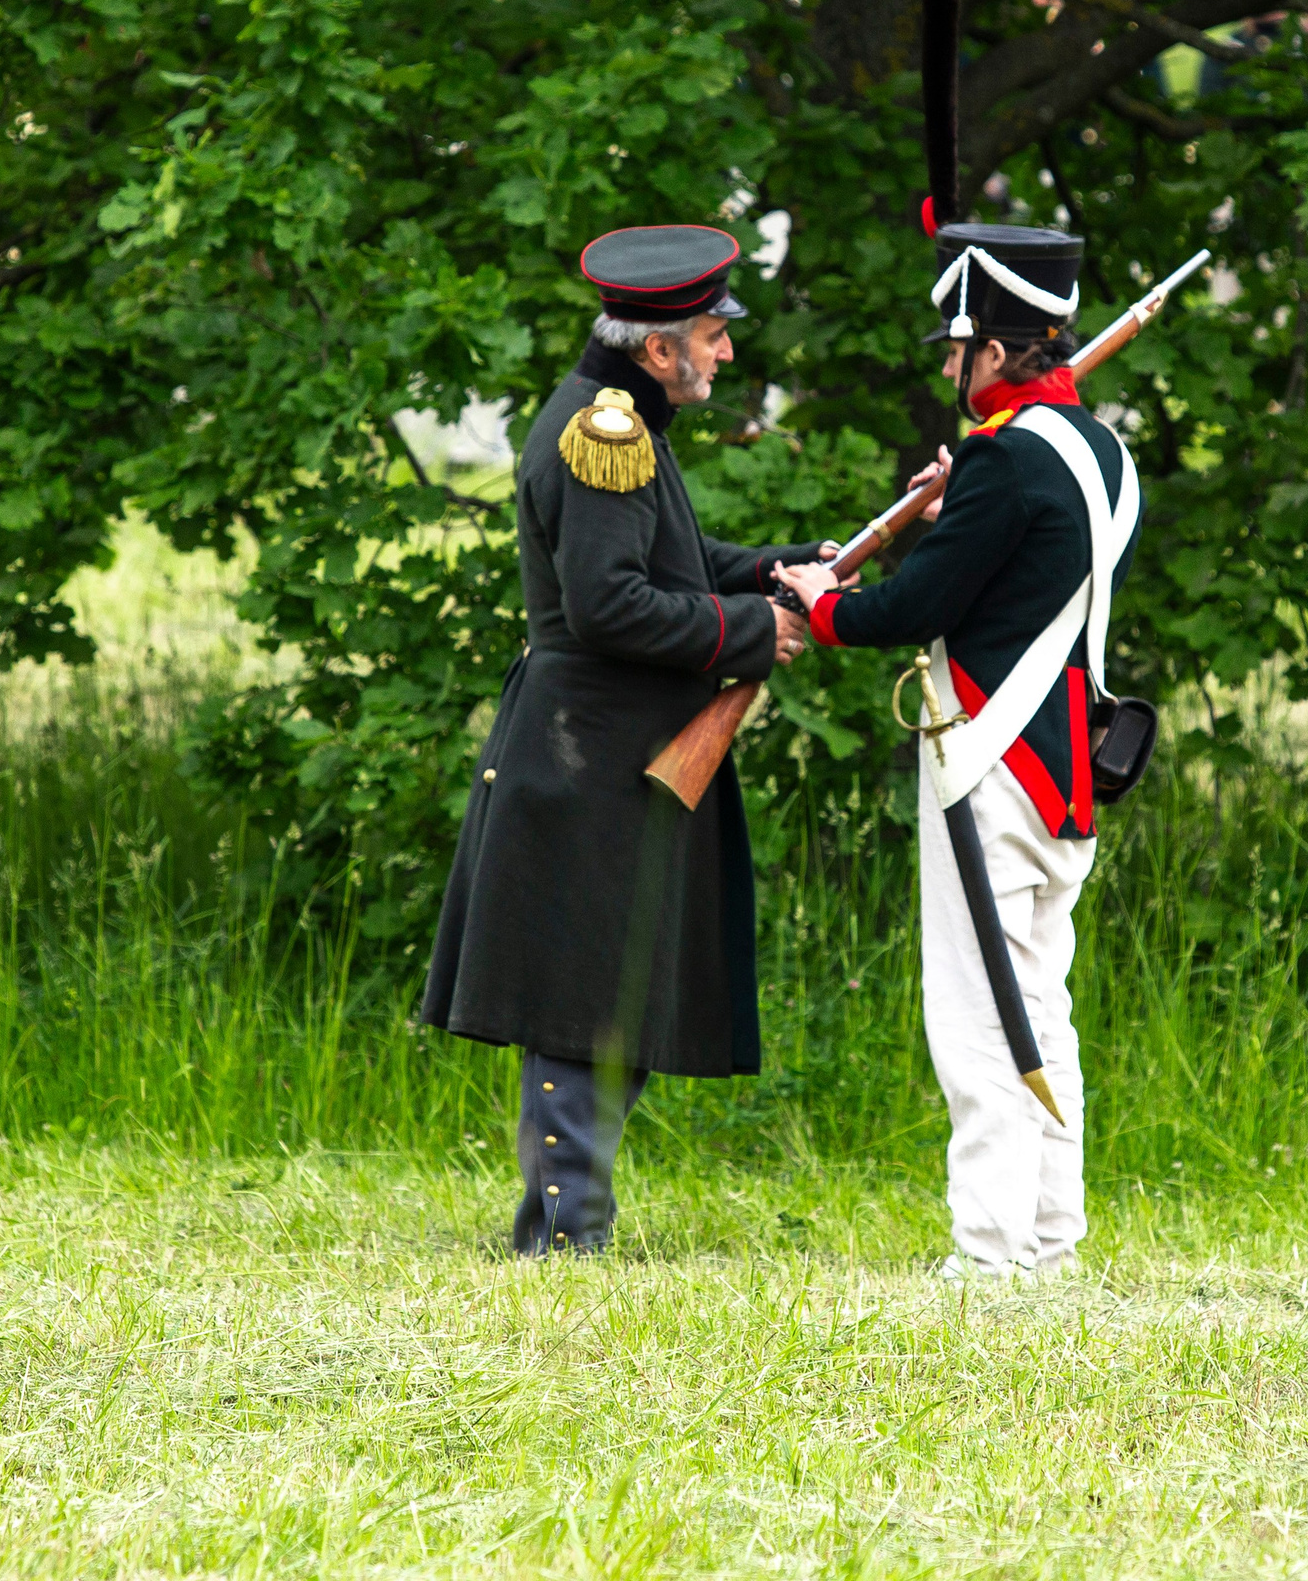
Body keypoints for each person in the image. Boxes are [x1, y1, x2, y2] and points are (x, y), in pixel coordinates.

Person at [419, 224, 829, 1256]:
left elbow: (678, 559)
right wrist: (750, 629)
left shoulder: (624, 423)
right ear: (657, 348)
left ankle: (568, 1225)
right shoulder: (604, 434)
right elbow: (609, 608)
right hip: (587, 753)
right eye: (711, 333)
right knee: (577, 1005)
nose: (725, 351)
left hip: (602, 751)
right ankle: (560, 1238)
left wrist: (788, 570)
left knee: (607, 999)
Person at [775, 223, 1138, 1281]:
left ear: (997, 347)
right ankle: (1048, 1243)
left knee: (979, 1019)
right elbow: (1017, 570)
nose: (947, 364)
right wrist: (952, 501)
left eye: (957, 345)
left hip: (992, 761)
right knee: (1038, 1009)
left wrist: (824, 603)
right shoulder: (1097, 451)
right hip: (1063, 762)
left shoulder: (1005, 457)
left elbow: (919, 607)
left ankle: (989, 1256)